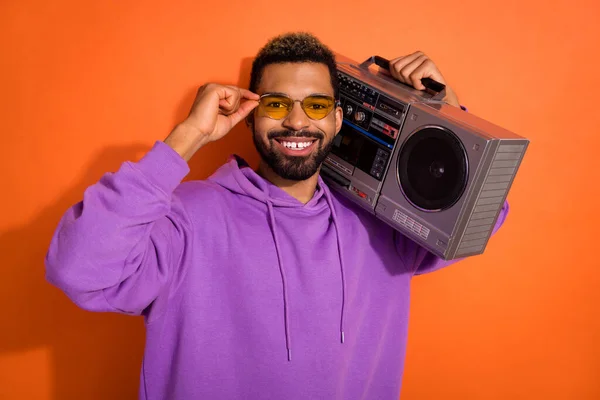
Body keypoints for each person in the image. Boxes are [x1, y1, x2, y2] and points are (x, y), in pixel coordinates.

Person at [45, 32, 508, 400]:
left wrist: (445, 111)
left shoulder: (381, 226)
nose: (297, 121)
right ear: (249, 114)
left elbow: (484, 214)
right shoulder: (183, 219)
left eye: (317, 105)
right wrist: (186, 137)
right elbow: (78, 269)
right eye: (276, 104)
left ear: (338, 120)